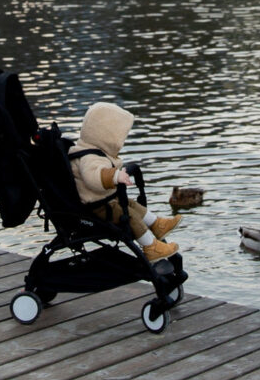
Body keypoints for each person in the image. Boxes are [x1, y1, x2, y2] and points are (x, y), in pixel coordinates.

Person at [68, 101, 180, 262]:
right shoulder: (89, 157)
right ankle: (151, 247)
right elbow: (93, 177)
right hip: (98, 207)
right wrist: (115, 176)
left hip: (106, 200)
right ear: (106, 135)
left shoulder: (92, 150)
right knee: (131, 217)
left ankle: (157, 224)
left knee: (132, 205)